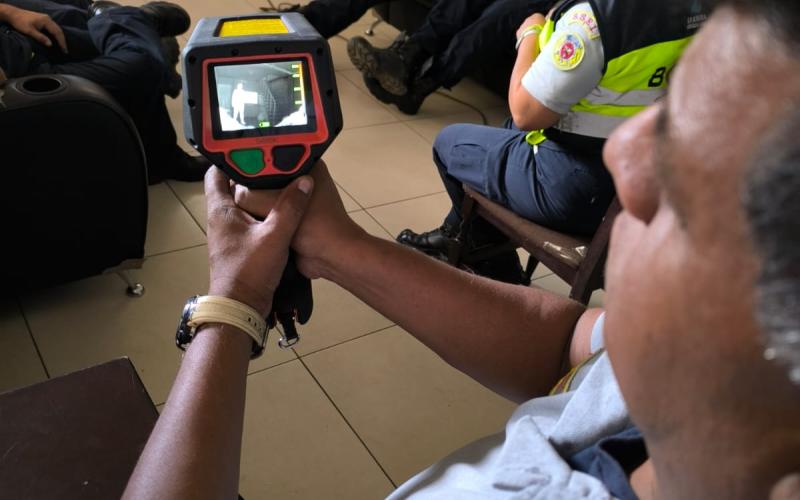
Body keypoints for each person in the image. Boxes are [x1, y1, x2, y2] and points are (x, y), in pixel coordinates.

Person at [121, 0, 800, 497]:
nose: (629, 153)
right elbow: (570, 349)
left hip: (555, 169)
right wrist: (337, 248)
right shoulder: (693, 365)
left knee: (457, 145)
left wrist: (232, 306)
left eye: (703, 163)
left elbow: (530, 111)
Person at [397, 0, 704, 284]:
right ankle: (456, 237)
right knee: (503, 135)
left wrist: (529, 35)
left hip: (577, 188)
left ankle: (498, 269)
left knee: (450, 143)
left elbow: (524, 113)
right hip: (646, 183)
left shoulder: (593, 20)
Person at [0, 0, 210, 184]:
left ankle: (133, 27)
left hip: (13, 37)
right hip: (21, 80)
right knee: (139, 65)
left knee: (80, 17)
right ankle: (135, 22)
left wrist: (10, 12)